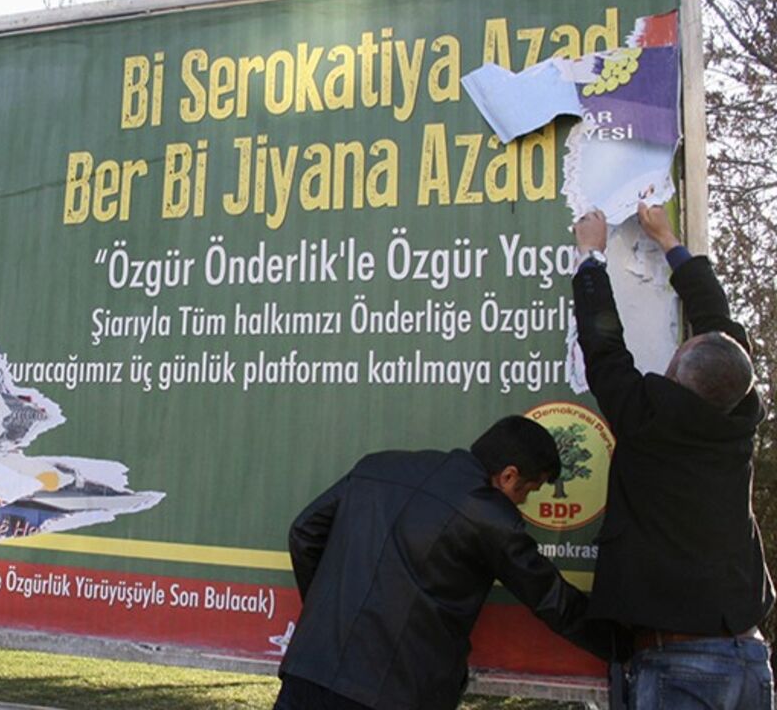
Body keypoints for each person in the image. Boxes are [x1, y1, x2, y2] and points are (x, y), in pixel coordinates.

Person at [572, 204, 773, 709]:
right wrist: (669, 241)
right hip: (749, 657)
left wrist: (591, 257)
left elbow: (602, 346)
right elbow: (719, 324)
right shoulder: (738, 416)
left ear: (678, 372)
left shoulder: (648, 420)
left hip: (682, 667)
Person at [276, 416, 605, 709]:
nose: (523, 503)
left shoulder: (376, 467)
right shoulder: (490, 515)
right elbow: (552, 599)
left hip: (309, 670)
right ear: (508, 476)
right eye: (527, 492)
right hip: (394, 692)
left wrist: (327, 616)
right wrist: (620, 642)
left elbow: (304, 533)